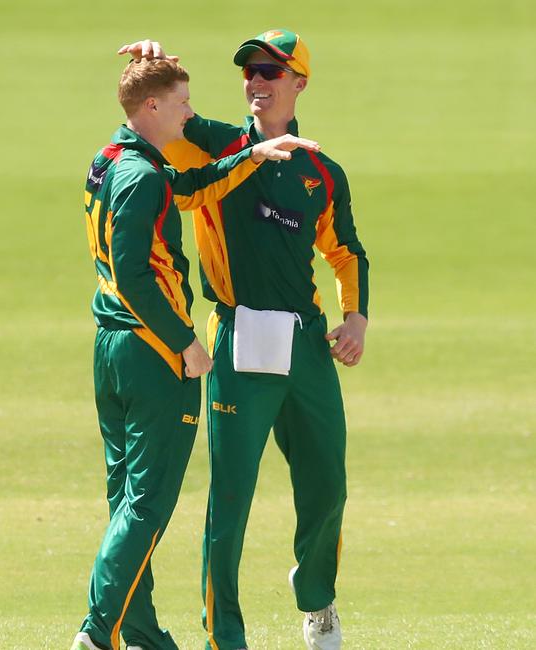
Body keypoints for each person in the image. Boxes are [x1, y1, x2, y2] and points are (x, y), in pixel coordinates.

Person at [118, 29, 369, 650]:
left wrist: (356, 316)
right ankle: (224, 636)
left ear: (298, 85)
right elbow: (152, 116)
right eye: (249, 72)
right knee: (229, 499)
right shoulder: (211, 143)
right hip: (237, 337)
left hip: (307, 342)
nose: (255, 82)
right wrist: (153, 65)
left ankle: (316, 599)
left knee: (327, 485)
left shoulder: (321, 172)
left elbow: (347, 251)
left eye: (270, 72)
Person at [71, 57, 320, 650]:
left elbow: (186, 188)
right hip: (152, 350)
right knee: (148, 502)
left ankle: (142, 633)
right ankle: (96, 632)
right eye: (181, 101)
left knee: (126, 499)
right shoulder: (142, 177)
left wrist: (249, 156)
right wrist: (186, 344)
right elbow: (135, 274)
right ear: (152, 108)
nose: (190, 111)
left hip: (112, 346)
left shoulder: (112, 159)